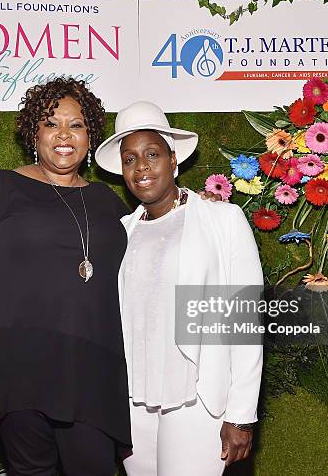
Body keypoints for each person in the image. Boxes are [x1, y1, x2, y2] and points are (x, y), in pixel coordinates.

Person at [0, 78, 132, 476]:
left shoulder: (110, 204)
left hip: (94, 376)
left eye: (77, 125)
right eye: (51, 123)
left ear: (91, 137)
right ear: (35, 132)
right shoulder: (2, 188)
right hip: (20, 374)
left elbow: (155, 251)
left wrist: (194, 207)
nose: (64, 135)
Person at [95, 101, 264, 476]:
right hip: (132, 399)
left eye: (152, 154)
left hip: (196, 395)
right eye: (130, 158)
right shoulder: (121, 231)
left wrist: (241, 413)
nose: (141, 167)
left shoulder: (220, 220)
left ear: (173, 160)